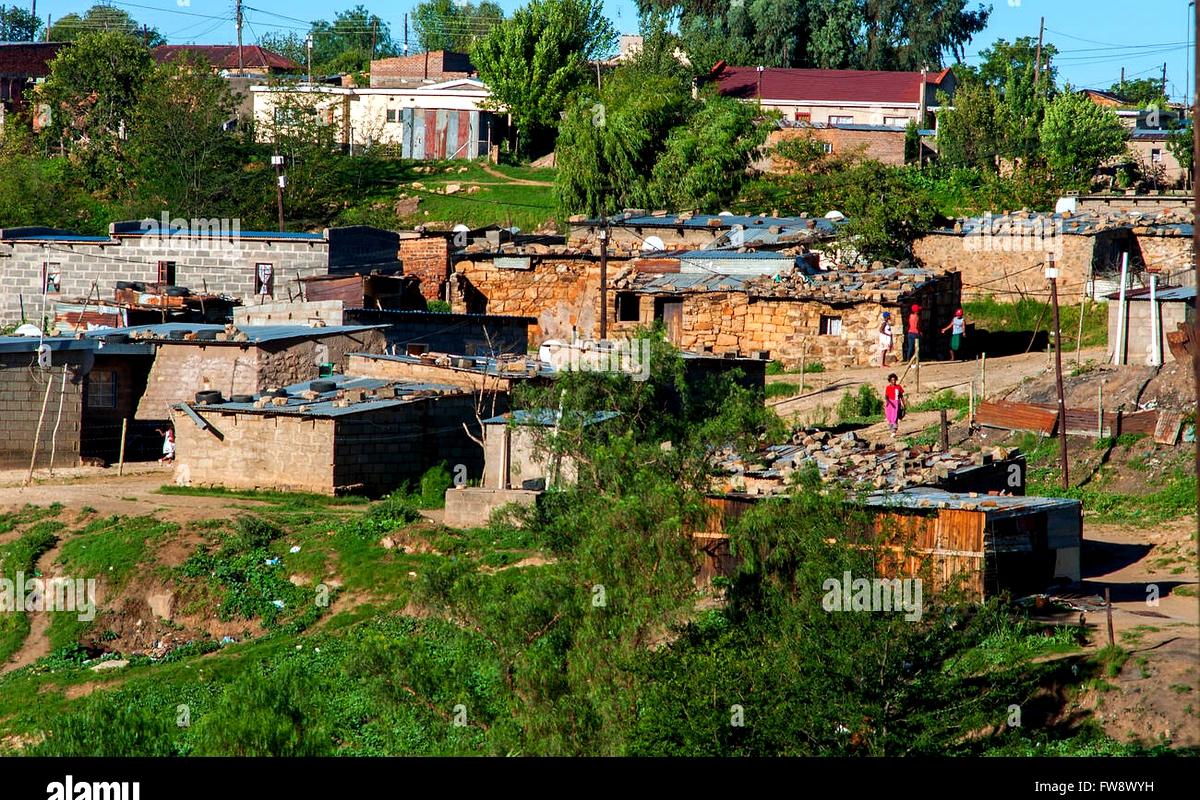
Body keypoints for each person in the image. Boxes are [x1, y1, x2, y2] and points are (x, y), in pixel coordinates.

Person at [884, 373, 905, 437]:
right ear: (890, 381)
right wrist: (889, 403)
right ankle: (891, 429)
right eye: (892, 380)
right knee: (889, 417)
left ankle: (894, 430)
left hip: (896, 403)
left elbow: (901, 396)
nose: (893, 382)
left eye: (894, 380)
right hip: (890, 403)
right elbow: (886, 397)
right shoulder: (888, 388)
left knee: (895, 417)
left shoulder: (898, 387)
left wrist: (904, 404)